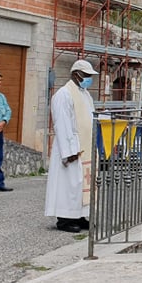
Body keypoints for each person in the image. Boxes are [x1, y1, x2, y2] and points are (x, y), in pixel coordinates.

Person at [45, 59, 99, 233]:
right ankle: (65, 219)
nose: (89, 79)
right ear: (76, 74)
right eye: (86, 75)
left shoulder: (85, 94)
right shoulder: (64, 94)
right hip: (71, 145)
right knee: (68, 184)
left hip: (85, 145)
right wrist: (69, 151)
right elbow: (62, 123)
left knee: (81, 184)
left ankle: (79, 215)